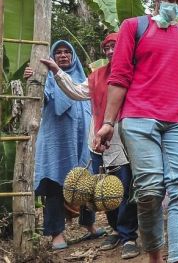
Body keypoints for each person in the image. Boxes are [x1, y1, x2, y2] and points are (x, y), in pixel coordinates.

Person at [94, 0, 178, 263]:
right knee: (149, 191)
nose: (174, 5)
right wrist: (108, 123)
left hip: (177, 121)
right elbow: (119, 77)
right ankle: (155, 255)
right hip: (138, 119)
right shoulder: (133, 27)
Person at [32, 33, 140, 259]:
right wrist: (53, 71)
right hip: (98, 141)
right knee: (103, 191)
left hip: (125, 141)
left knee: (126, 189)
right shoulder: (96, 76)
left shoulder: (136, 72)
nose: (111, 51)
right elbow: (75, 91)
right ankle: (116, 231)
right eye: (107, 47)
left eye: (115, 46)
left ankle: (129, 235)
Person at [28, 40, 104, 250]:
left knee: (85, 182)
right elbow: (39, 97)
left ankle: (89, 225)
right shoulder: (48, 79)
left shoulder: (84, 79)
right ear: (53, 57)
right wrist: (32, 78)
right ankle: (57, 234)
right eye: (58, 52)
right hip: (56, 142)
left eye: (67, 52)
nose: (63, 55)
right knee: (54, 183)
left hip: (82, 139)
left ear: (73, 56)